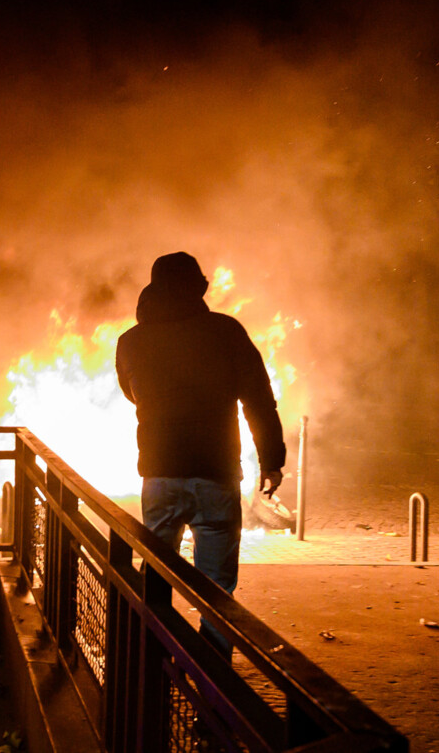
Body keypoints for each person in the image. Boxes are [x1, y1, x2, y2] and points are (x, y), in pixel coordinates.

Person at [115, 252, 285, 656]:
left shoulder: (131, 341)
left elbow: (130, 393)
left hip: (160, 473)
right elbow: (258, 400)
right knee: (217, 589)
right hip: (216, 473)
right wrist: (271, 460)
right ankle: (213, 687)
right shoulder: (225, 332)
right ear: (200, 287)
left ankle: (147, 659)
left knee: (155, 571)